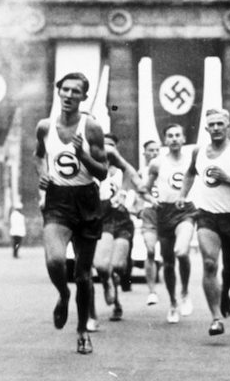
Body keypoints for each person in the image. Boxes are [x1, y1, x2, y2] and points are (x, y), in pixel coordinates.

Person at [34, 72, 107, 354]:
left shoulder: (91, 129)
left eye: (75, 91)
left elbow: (103, 171)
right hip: (58, 199)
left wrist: (83, 156)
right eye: (65, 90)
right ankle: (63, 295)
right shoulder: (44, 126)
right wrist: (43, 174)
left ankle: (81, 332)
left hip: (87, 199)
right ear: (58, 92)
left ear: (83, 97)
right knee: (54, 259)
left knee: (83, 274)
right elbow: (39, 154)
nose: (69, 95)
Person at [177, 108, 230, 336]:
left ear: (227, 126)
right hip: (207, 216)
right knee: (210, 264)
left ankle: (224, 294)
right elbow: (189, 173)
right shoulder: (199, 151)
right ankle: (215, 318)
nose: (215, 128)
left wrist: (228, 179)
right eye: (211, 124)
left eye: (219, 124)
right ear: (206, 128)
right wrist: (183, 195)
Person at [141, 124, 197, 323]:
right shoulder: (157, 163)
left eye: (177, 135)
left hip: (185, 211)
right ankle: (173, 303)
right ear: (165, 140)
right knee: (168, 263)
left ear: (183, 139)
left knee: (181, 251)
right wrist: (151, 199)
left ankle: (185, 293)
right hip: (163, 212)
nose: (174, 139)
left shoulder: (192, 160)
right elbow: (144, 189)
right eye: (170, 136)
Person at [93, 133, 144, 323]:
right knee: (101, 265)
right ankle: (107, 284)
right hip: (103, 220)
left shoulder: (124, 171)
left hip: (122, 221)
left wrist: (128, 200)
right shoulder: (93, 170)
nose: (107, 149)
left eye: (111, 145)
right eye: (103, 145)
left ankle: (116, 302)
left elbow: (136, 195)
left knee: (118, 266)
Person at [139, 140, 162, 307]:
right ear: (144, 153)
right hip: (148, 213)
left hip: (166, 212)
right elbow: (134, 194)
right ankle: (152, 291)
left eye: (157, 150)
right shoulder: (140, 173)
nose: (154, 153)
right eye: (151, 150)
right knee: (150, 250)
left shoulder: (165, 169)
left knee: (170, 254)